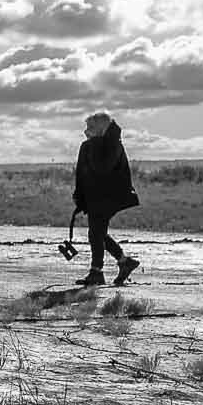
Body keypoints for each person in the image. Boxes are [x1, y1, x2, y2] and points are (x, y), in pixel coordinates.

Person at [72, 111, 141, 286]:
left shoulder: (113, 145)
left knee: (96, 233)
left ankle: (97, 272)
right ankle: (124, 262)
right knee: (97, 232)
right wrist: (79, 196)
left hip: (109, 197)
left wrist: (94, 143)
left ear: (100, 128)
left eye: (90, 128)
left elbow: (102, 168)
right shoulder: (89, 145)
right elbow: (82, 173)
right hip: (95, 197)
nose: (86, 131)